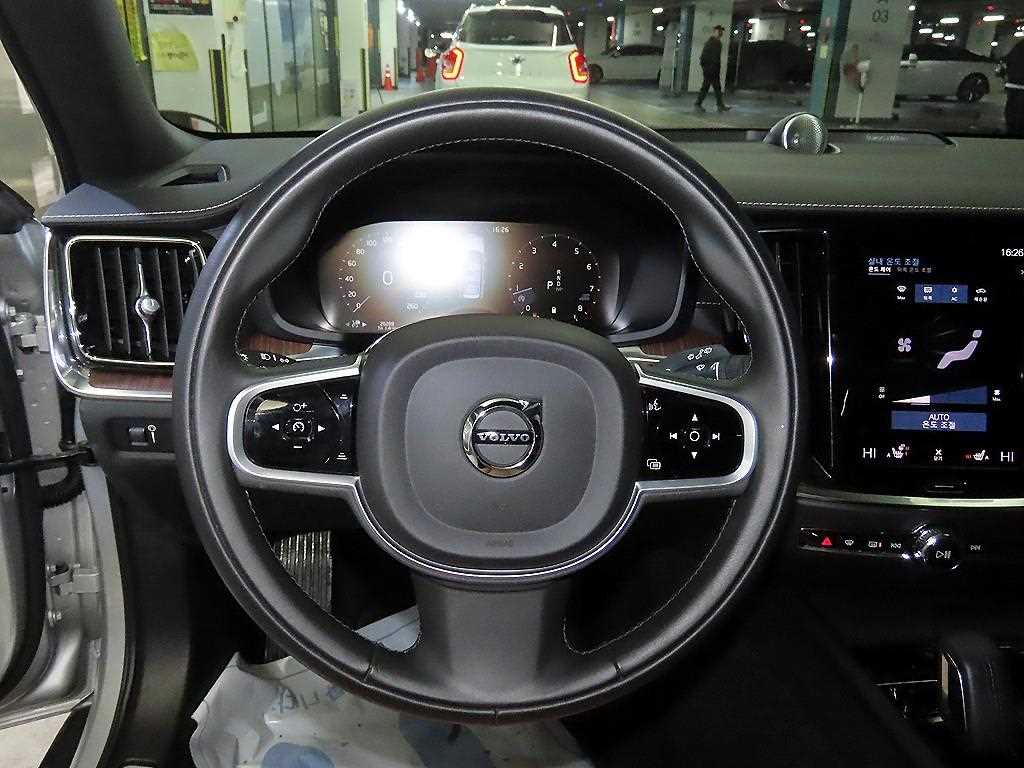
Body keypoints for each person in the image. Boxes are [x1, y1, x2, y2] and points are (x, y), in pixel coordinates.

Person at [695, 24, 730, 113]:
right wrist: (707, 68)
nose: (721, 33)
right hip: (710, 70)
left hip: (714, 69)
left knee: (716, 88)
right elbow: (703, 57)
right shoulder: (711, 42)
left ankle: (720, 105)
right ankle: (698, 104)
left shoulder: (717, 42)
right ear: (714, 32)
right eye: (719, 31)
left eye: (721, 31)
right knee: (706, 87)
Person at [1006, 39, 1024, 137]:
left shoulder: (1019, 45)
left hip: (1013, 84)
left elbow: (1008, 60)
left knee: (1012, 112)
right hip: (1021, 86)